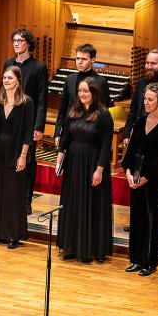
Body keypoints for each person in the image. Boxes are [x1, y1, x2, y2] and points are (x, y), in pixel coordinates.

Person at [56, 77, 114, 262]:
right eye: (80, 91)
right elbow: (66, 137)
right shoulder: (74, 110)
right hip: (74, 163)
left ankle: (91, 248)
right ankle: (71, 246)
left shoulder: (104, 115)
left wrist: (99, 170)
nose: (81, 94)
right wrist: (60, 156)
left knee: (91, 204)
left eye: (85, 91)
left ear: (94, 93)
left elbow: (106, 146)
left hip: (92, 163)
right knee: (73, 202)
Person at [122, 83, 158, 275]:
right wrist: (128, 173)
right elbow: (131, 152)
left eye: (150, 99)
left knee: (153, 223)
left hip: (154, 182)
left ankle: (149, 263)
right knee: (137, 220)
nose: (146, 102)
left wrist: (144, 179)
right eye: (145, 99)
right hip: (136, 178)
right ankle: (137, 259)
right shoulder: (140, 121)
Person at [0, 66, 36, 249]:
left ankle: (14, 234)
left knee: (13, 194)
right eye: (4, 77)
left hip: (16, 151)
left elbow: (28, 132)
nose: (6, 81)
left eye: (10, 78)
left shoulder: (26, 102)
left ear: (18, 81)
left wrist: (23, 156)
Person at [3, 28, 48, 215]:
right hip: (10, 118)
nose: (16, 44)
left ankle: (26, 200)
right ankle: (9, 196)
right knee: (8, 157)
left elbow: (42, 98)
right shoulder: (8, 63)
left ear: (28, 44)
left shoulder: (39, 67)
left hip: (29, 120)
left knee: (28, 160)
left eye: (20, 41)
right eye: (14, 40)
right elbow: (2, 92)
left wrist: (39, 126)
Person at [54, 43, 111, 143]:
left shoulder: (101, 82)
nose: (79, 62)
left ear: (93, 60)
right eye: (77, 58)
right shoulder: (69, 79)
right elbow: (63, 107)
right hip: (69, 129)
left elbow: (104, 110)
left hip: (89, 132)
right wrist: (58, 130)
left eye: (83, 59)